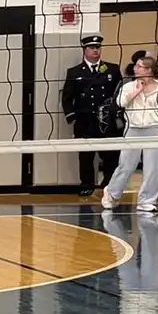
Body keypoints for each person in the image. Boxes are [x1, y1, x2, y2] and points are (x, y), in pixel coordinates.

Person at [64, 34, 122, 198]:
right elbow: (67, 97)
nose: (96, 51)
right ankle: (87, 184)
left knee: (110, 154)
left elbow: (119, 93)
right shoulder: (74, 72)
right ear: (85, 50)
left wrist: (116, 113)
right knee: (86, 156)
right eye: (92, 48)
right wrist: (72, 116)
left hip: (107, 121)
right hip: (85, 121)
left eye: (98, 48)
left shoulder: (112, 69)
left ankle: (109, 183)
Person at [102, 54, 158, 213]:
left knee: (153, 167)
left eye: (139, 66)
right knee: (126, 165)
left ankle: (147, 201)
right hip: (133, 129)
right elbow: (120, 103)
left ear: (149, 70)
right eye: (136, 66)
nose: (135, 68)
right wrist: (137, 90)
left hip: (154, 129)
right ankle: (112, 194)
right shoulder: (128, 86)